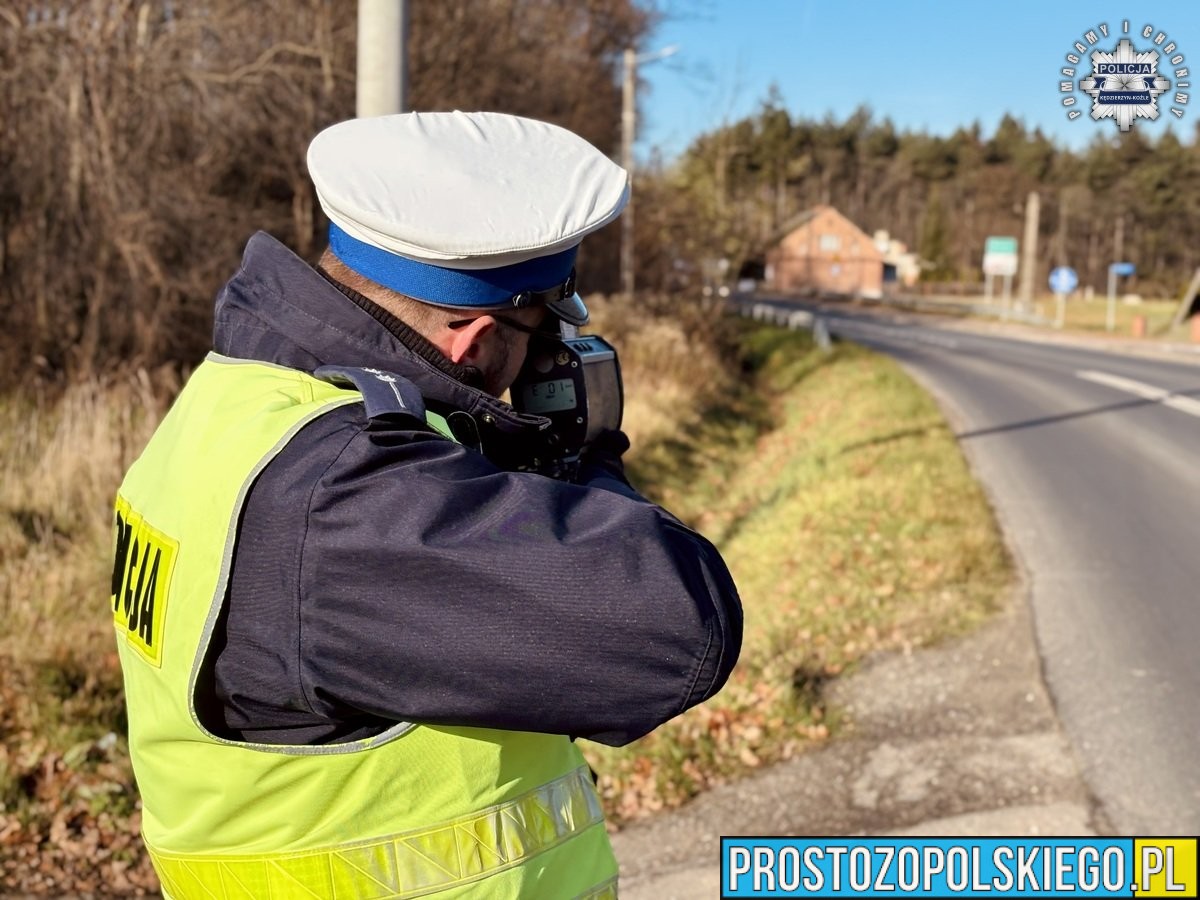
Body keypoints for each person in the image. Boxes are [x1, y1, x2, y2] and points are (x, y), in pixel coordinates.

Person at [109, 111, 742, 899]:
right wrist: (587, 462)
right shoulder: (348, 500)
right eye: (533, 334)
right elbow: (680, 630)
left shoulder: (237, 400)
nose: (527, 366)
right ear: (473, 339)